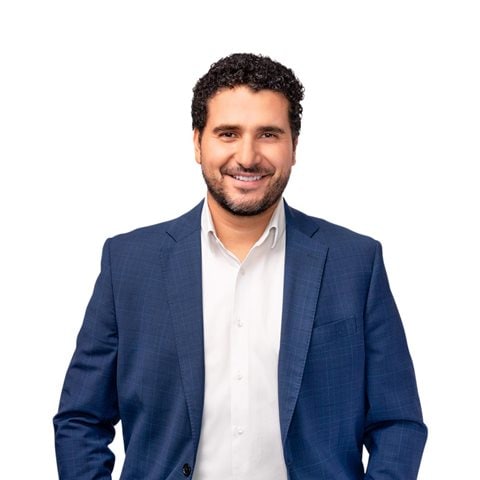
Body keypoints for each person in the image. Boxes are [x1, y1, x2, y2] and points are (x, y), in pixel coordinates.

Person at [53, 53, 427, 479]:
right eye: (228, 133)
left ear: (294, 145)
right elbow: (81, 420)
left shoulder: (355, 263)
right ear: (198, 143)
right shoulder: (129, 263)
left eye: (268, 134)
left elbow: (398, 423)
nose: (247, 157)